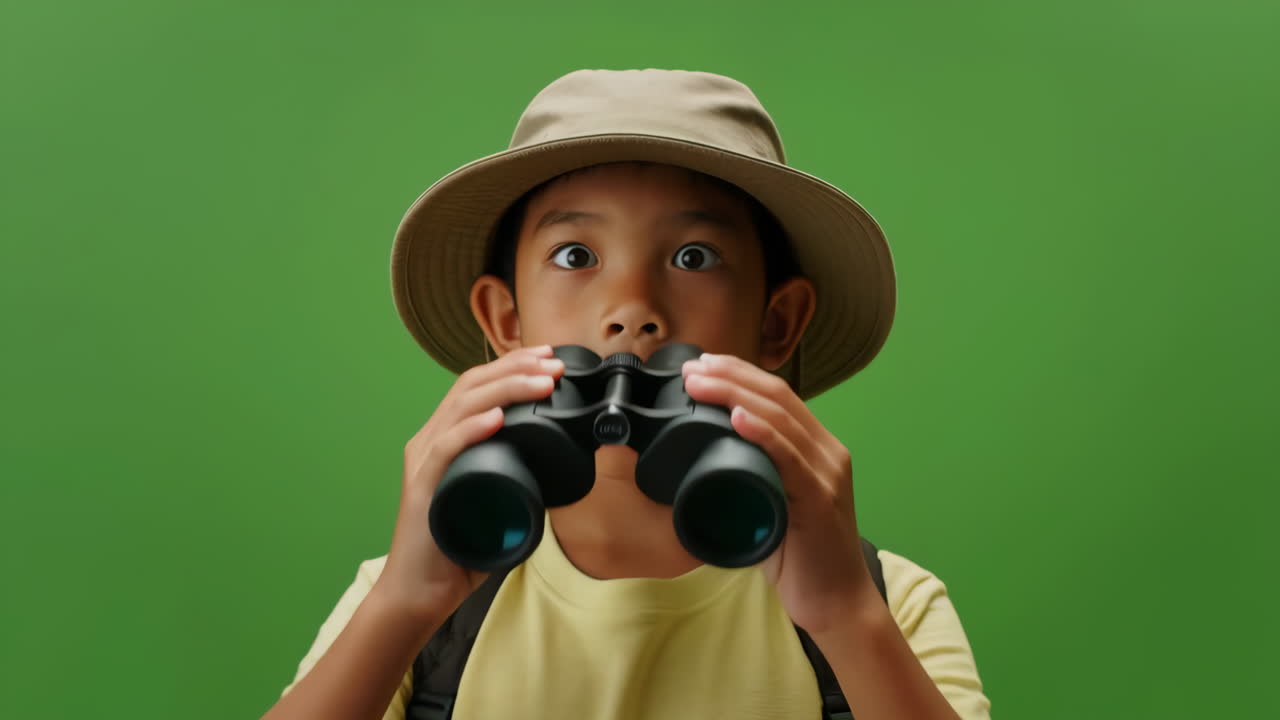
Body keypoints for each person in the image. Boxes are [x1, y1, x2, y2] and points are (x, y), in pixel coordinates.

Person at [262, 69, 992, 720]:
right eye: (575, 256)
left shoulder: (883, 603)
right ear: (506, 322)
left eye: (693, 257)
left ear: (776, 325)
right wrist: (402, 606)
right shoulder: (417, 596)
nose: (631, 307)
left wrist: (844, 615)